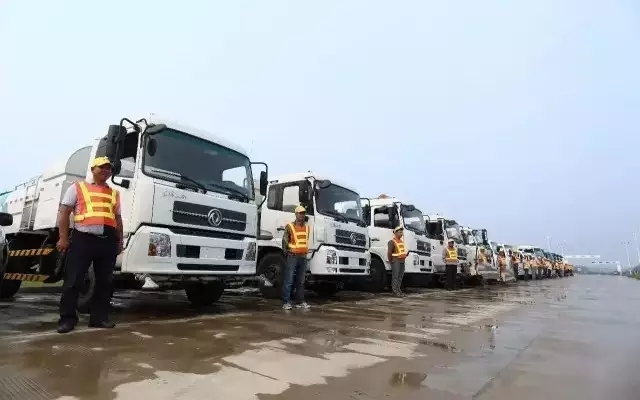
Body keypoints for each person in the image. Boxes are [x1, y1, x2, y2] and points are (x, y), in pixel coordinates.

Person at [56, 156, 123, 334]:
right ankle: (67, 319)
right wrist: (63, 238)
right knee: (73, 280)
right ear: (93, 169)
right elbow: (64, 212)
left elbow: (118, 219)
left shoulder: (114, 193)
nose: (106, 171)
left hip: (107, 241)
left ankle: (99, 318)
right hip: (83, 239)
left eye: (108, 168)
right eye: (102, 167)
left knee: (104, 282)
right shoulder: (77, 187)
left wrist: (119, 241)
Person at [281, 205, 311, 310]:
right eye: (300, 213)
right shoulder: (290, 226)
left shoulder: (307, 228)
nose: (302, 215)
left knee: (301, 281)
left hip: (303, 257)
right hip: (292, 256)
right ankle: (286, 302)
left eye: (303, 213)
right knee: (289, 280)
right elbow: (284, 242)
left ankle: (300, 301)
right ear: (296, 214)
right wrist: (288, 253)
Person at [387, 226, 407, 297]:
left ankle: (398, 290)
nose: (401, 233)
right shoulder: (391, 242)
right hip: (395, 260)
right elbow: (389, 252)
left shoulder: (401, 241)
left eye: (402, 232)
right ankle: (395, 292)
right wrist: (390, 260)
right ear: (395, 233)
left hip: (402, 261)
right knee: (395, 276)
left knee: (400, 277)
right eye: (400, 232)